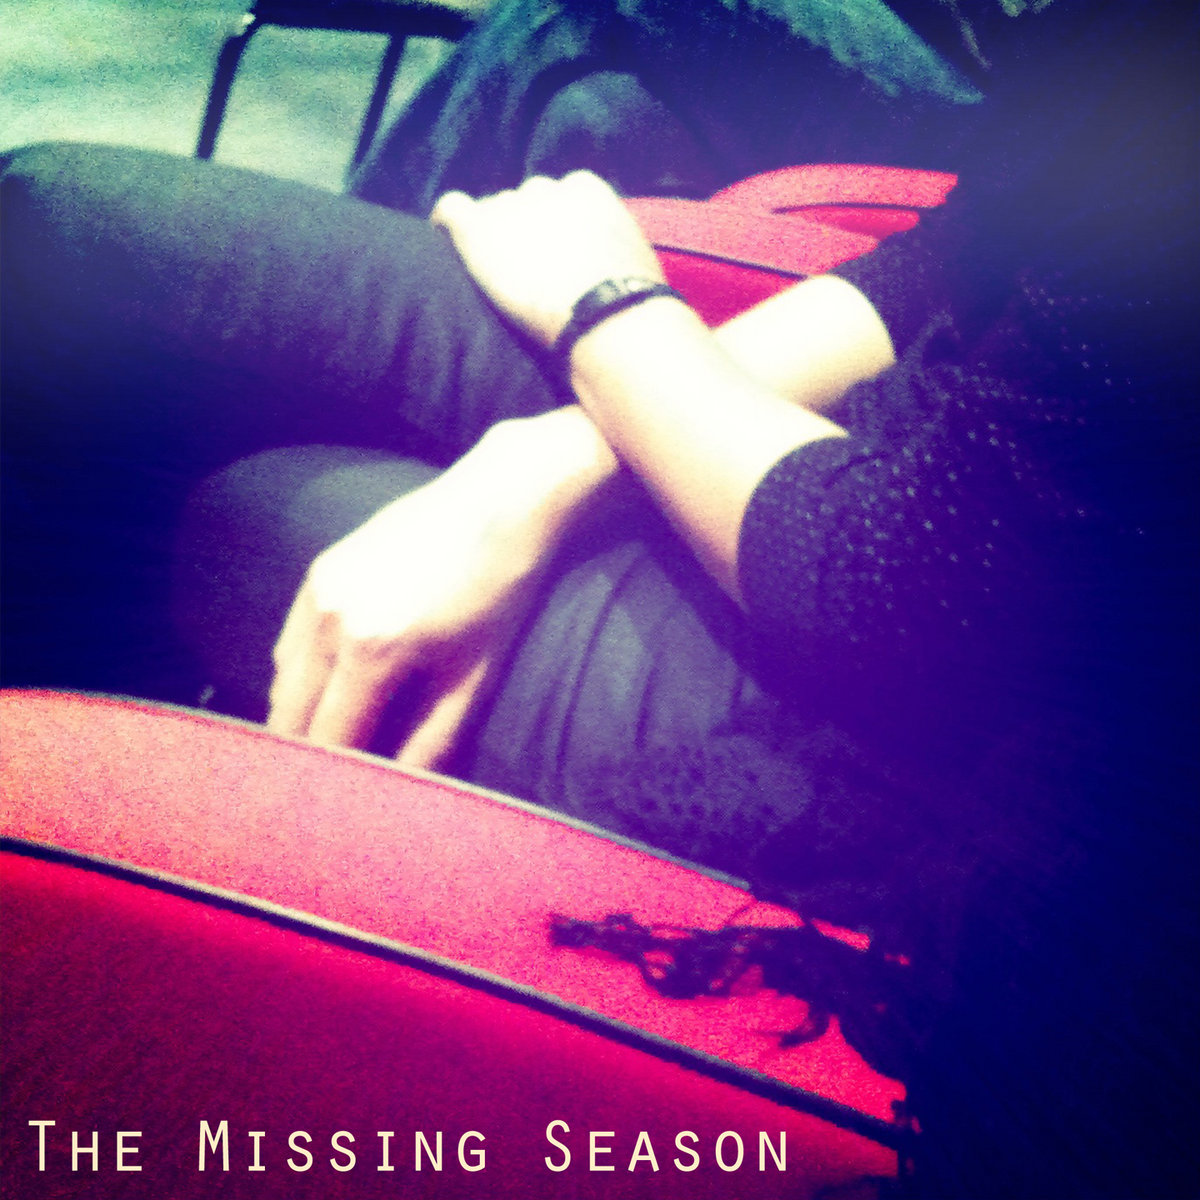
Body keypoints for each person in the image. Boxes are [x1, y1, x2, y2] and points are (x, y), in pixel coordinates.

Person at [2, 1, 1197, 1193]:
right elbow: (966, 258)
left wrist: (613, 311)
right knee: (55, 229)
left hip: (989, 772)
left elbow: (909, 593)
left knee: (244, 518)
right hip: (910, 485)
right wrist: (544, 464)